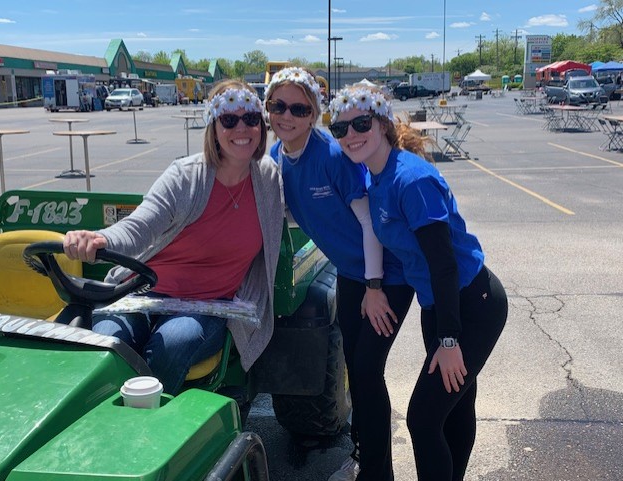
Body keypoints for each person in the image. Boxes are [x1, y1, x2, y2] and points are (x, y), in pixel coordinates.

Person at [328, 86, 508, 481]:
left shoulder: (411, 179)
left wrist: (449, 340)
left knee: (423, 420)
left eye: (361, 123)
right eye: (340, 128)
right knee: (453, 410)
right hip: (438, 308)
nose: (351, 135)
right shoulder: (376, 179)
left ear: (383, 124)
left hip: (471, 306)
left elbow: (443, 265)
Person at [62, 80, 284, 396]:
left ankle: (149, 428)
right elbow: (139, 226)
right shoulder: (185, 176)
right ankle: (101, 428)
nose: (241, 128)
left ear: (260, 125)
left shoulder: (268, 180)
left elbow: (308, 197)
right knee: (110, 341)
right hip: (140, 292)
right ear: (214, 125)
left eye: (250, 118)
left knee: (174, 343)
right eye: (229, 119)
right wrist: (98, 239)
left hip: (208, 305)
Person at [264, 67, 414, 481]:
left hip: (389, 274)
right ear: (268, 110)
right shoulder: (276, 158)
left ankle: (377, 474)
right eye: (279, 106)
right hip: (352, 274)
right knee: (356, 366)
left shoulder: (331, 154)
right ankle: (363, 455)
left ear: (312, 114)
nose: (287, 116)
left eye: (298, 108)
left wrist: (375, 285)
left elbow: (370, 225)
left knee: (366, 372)